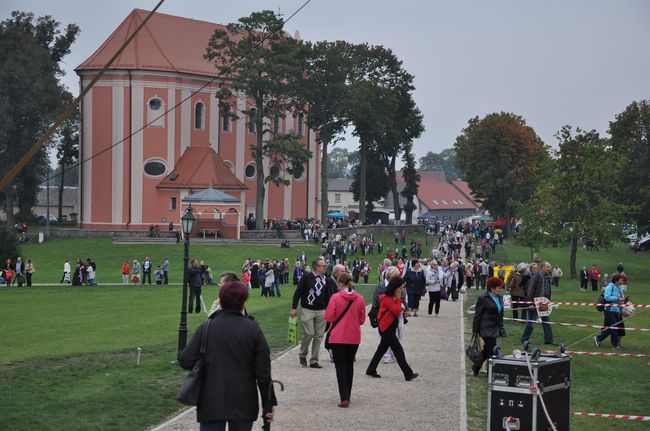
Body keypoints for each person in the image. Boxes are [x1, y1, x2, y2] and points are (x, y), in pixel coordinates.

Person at [179, 281, 277, 430]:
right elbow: (263, 373)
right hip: (243, 399)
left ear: (220, 301)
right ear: (244, 302)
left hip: (211, 399)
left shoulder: (207, 327)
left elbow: (185, 361)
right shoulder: (252, 329)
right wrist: (268, 404)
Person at [324, 272, 366, 408]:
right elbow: (362, 320)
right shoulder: (360, 299)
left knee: (340, 368)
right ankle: (347, 394)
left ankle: (344, 397)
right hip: (353, 337)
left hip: (338, 337)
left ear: (340, 283)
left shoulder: (335, 298)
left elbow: (329, 317)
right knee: (349, 366)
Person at [365, 277, 419, 381]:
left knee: (381, 350)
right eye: (401, 288)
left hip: (389, 328)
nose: (402, 290)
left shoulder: (392, 297)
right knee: (398, 349)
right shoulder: (387, 298)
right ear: (395, 288)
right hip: (385, 328)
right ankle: (408, 373)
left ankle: (371, 369)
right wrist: (399, 299)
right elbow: (396, 311)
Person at [290, 257, 335, 368]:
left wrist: (330, 310)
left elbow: (329, 296)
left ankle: (314, 360)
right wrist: (294, 308)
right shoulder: (307, 277)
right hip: (307, 309)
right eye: (323, 266)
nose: (325, 267)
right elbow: (298, 293)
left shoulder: (327, 279)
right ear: (316, 267)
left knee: (319, 336)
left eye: (325, 266)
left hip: (322, 311)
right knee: (309, 333)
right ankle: (302, 354)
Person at [471, 277, 507, 376]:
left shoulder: (500, 297)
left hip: (495, 327)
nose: (500, 289)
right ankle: (491, 373)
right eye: (498, 287)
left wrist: (501, 326)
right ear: (492, 288)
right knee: (491, 349)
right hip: (485, 327)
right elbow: (477, 315)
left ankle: (476, 367)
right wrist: (475, 330)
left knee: (487, 349)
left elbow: (500, 313)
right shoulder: (483, 298)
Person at [520, 262, 556, 346]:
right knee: (532, 321)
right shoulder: (536, 276)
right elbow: (530, 289)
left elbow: (548, 290)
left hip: (544, 302)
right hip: (535, 301)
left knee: (546, 321)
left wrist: (548, 302)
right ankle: (524, 339)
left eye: (549, 267)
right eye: (547, 267)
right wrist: (530, 303)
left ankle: (549, 340)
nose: (549, 268)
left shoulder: (548, 277)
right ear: (542, 267)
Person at [594, 274, 625, 350]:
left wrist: (625, 302)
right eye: (621, 279)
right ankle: (614, 346)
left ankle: (598, 338)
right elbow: (607, 297)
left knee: (611, 327)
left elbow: (621, 299)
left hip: (617, 310)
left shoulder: (620, 288)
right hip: (609, 310)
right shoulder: (610, 287)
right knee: (614, 327)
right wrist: (617, 298)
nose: (622, 281)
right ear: (616, 280)